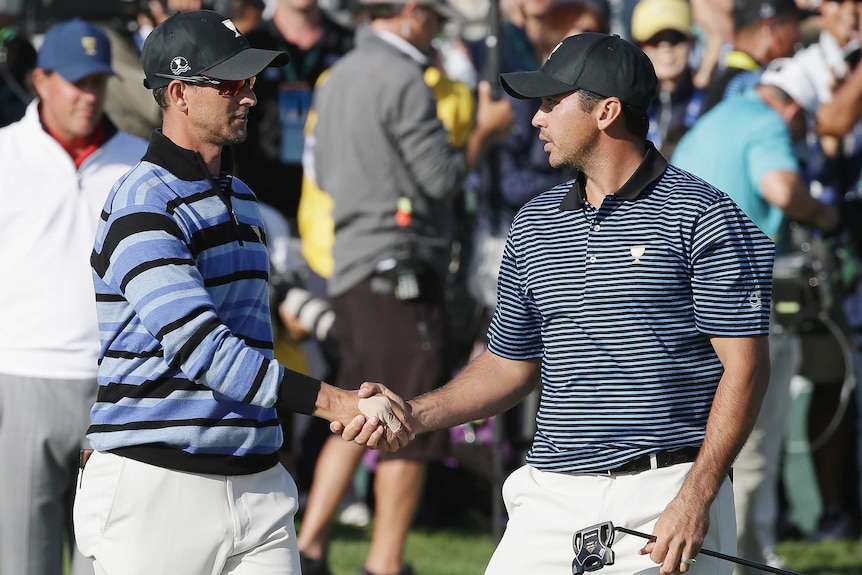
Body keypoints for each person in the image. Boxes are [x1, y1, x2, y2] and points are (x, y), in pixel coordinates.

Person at [340, 31, 776, 575]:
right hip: (550, 493)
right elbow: (508, 365)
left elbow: (747, 366)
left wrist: (696, 496)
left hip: (664, 492)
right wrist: (416, 412)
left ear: (607, 112)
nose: (535, 120)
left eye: (551, 103)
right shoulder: (534, 223)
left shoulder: (704, 215)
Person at [71, 10, 406, 575]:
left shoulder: (242, 198)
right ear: (177, 93)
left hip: (257, 482)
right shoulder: (141, 203)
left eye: (251, 82)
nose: (249, 96)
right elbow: (206, 350)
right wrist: (338, 403)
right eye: (230, 83)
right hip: (157, 485)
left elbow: (255, 325)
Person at [295, 0, 513, 573]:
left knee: (355, 405)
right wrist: (484, 135)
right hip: (399, 268)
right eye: (436, 20)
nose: (438, 33)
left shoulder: (336, 74)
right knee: (406, 415)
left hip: (351, 261)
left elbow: (323, 171)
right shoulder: (403, 77)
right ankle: (385, 563)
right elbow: (440, 177)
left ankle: (311, 545)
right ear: (412, 13)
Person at [672, 56, 841, 573]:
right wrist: (826, 216)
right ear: (792, 108)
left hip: (686, 308)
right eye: (803, 124)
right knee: (753, 448)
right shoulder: (767, 122)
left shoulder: (716, 117)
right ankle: (745, 562)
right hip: (740, 307)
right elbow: (781, 189)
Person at [0, 18, 147, 575]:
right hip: (20, 377)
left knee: (108, 559)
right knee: (20, 557)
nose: (90, 96)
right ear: (40, 80)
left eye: (99, 82)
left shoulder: (140, 163)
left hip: (118, 385)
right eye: (76, 82)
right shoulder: (4, 155)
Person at [700, 0, 811, 115]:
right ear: (772, 27)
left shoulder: (721, 76)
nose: (798, 39)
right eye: (796, 27)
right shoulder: (750, 85)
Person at [630, 0, 709, 158]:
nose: (665, 48)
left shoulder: (712, 101)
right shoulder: (628, 107)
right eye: (654, 40)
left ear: (691, 43)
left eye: (675, 38)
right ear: (639, 48)